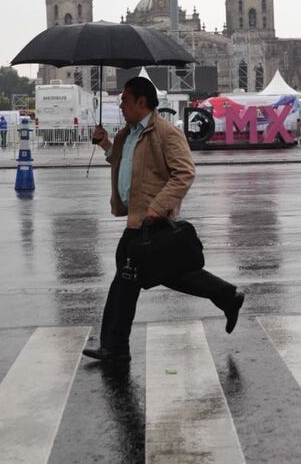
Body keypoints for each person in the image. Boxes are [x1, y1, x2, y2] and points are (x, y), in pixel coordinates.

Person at [83, 77, 244, 363]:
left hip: (151, 221)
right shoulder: (126, 134)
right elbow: (119, 161)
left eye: (124, 100)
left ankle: (115, 348)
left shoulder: (166, 133)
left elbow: (184, 173)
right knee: (161, 275)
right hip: (134, 219)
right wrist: (105, 143)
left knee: (130, 279)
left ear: (141, 102)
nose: (120, 105)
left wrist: (158, 206)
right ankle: (227, 295)